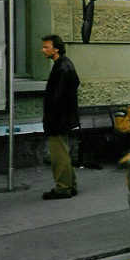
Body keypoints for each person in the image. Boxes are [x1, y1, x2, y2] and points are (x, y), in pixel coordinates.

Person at [41, 34, 80, 200]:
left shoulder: (62, 67)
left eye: (46, 47)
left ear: (56, 49)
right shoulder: (64, 64)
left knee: (58, 154)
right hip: (63, 118)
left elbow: (57, 97)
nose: (43, 50)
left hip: (57, 119)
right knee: (63, 151)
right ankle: (70, 185)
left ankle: (63, 188)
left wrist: (51, 119)